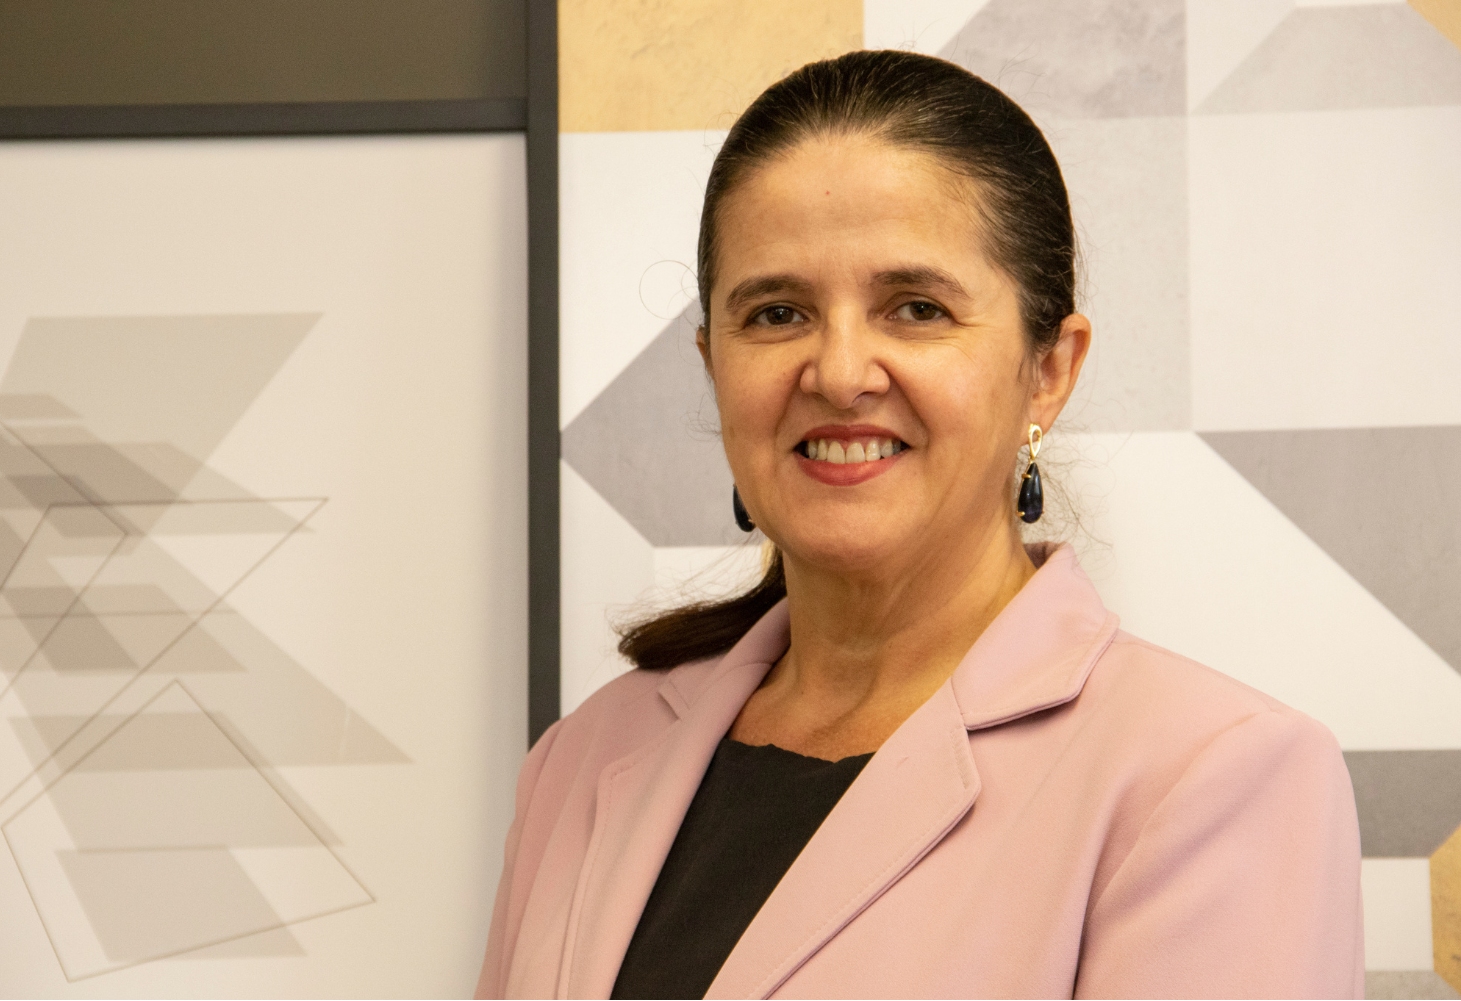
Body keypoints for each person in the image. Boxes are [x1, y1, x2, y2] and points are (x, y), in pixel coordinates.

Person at [478, 50, 1363, 1000]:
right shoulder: (580, 762)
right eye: (776, 313)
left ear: (1048, 371)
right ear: (712, 364)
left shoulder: (1212, 773)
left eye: (915, 308)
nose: (838, 373)